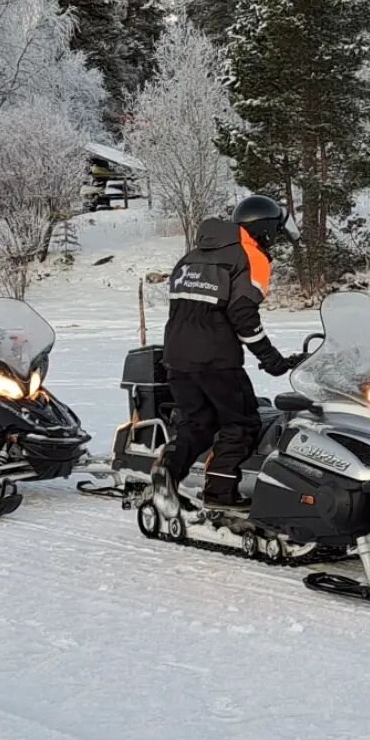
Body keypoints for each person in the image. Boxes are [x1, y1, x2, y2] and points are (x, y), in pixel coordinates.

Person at [151, 194, 301, 513]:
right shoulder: (250, 256)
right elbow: (243, 316)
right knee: (242, 423)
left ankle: (167, 471)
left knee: (198, 423)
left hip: (176, 355)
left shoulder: (192, 256)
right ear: (264, 229)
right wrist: (271, 359)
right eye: (274, 231)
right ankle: (219, 493)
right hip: (216, 359)